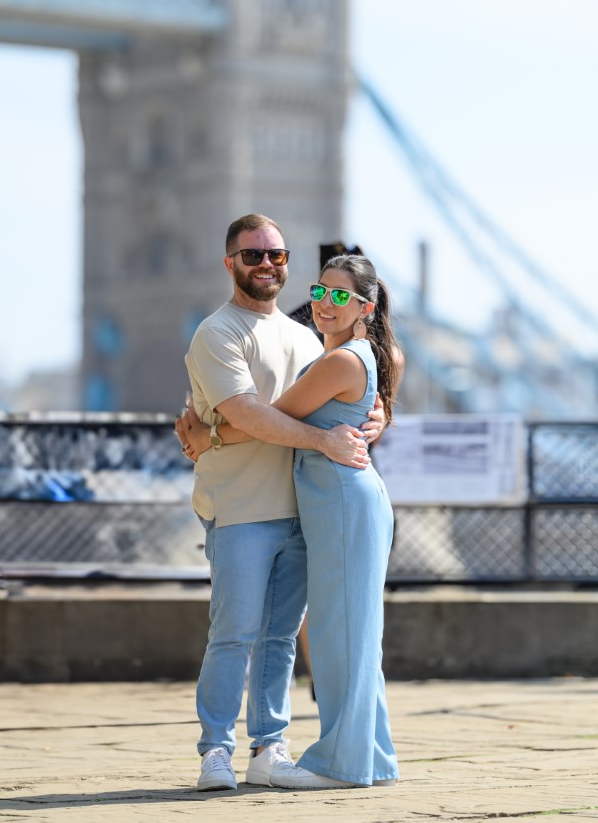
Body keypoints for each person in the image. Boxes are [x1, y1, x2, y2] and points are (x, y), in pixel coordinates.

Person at [174, 213, 381, 793]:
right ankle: (216, 751)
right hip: (240, 506)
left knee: (280, 639)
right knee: (234, 633)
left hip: (302, 509)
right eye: (253, 255)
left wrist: (375, 417)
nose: (267, 264)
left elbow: (342, 403)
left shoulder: (307, 338)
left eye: (277, 255)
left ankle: (269, 747)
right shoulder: (217, 332)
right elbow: (248, 413)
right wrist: (322, 440)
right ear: (230, 263)